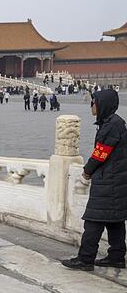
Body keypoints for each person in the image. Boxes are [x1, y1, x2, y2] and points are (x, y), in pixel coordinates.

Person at [62, 89, 127, 270]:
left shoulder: (111, 126)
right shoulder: (114, 123)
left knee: (94, 220)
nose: (92, 106)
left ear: (103, 104)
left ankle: (85, 258)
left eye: (94, 102)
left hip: (109, 182)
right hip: (116, 180)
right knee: (115, 219)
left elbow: (100, 154)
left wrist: (86, 172)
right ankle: (117, 256)